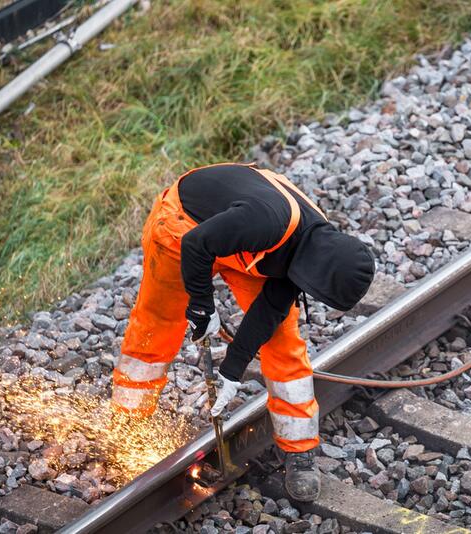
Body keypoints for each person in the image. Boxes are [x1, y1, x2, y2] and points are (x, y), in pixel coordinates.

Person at [111, 162, 375, 501]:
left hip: (245, 242)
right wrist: (203, 307)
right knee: (158, 326)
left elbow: (268, 313)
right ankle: (128, 424)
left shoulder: (315, 250)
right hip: (184, 227)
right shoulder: (266, 222)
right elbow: (196, 244)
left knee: (284, 343)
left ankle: (299, 449)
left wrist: (232, 369)